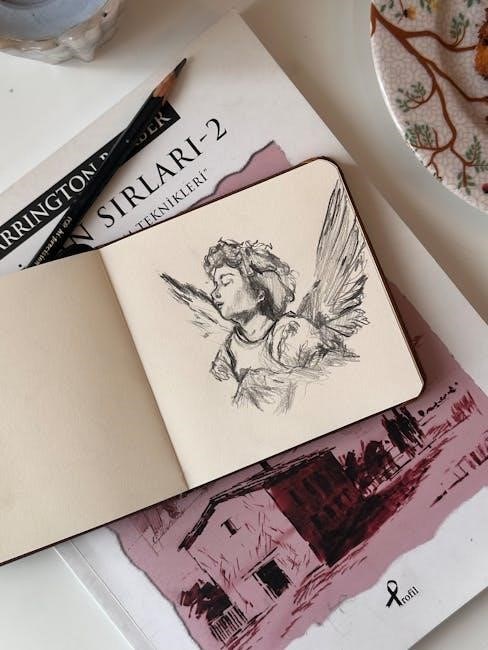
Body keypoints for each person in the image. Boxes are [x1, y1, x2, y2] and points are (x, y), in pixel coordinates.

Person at [204, 239, 332, 411]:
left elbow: (324, 382)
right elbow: (224, 405)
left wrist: (254, 385)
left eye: (226, 282)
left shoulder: (291, 332)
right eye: (215, 284)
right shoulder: (228, 351)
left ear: (259, 292)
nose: (215, 293)